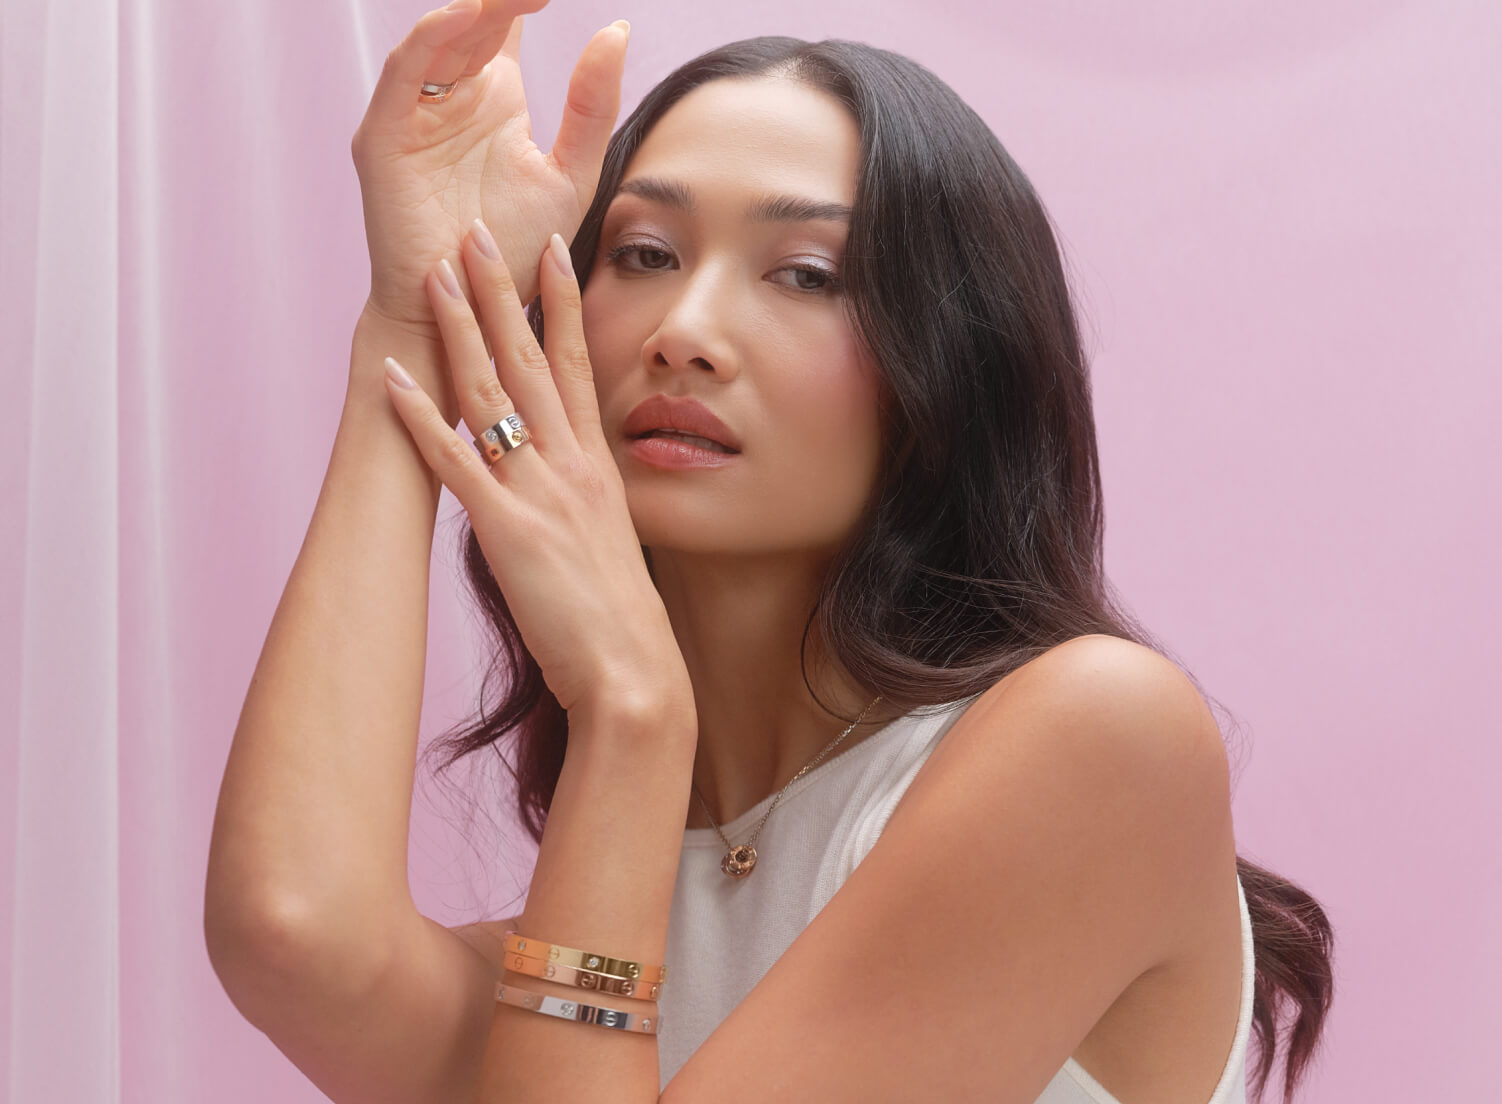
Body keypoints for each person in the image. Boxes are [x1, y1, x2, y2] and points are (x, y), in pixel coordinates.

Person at [204, 1, 1335, 1102]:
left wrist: (634, 716)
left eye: (806, 275)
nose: (684, 332)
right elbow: (296, 935)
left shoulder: (1094, 736)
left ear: (948, 367)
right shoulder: (622, 887)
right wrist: (417, 323)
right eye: (642, 252)